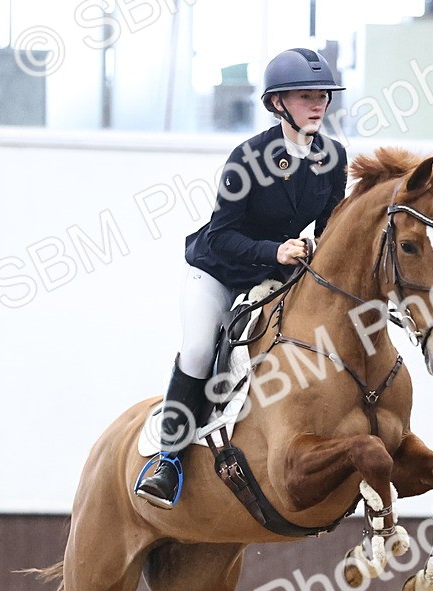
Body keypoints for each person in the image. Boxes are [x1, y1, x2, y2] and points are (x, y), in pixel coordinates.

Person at [135, 47, 349, 510]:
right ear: (277, 104)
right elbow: (224, 234)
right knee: (198, 348)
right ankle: (168, 459)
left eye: (323, 96)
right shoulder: (247, 157)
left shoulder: (332, 158)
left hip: (276, 272)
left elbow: (328, 229)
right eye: (305, 96)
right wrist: (276, 250)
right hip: (218, 269)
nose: (318, 105)